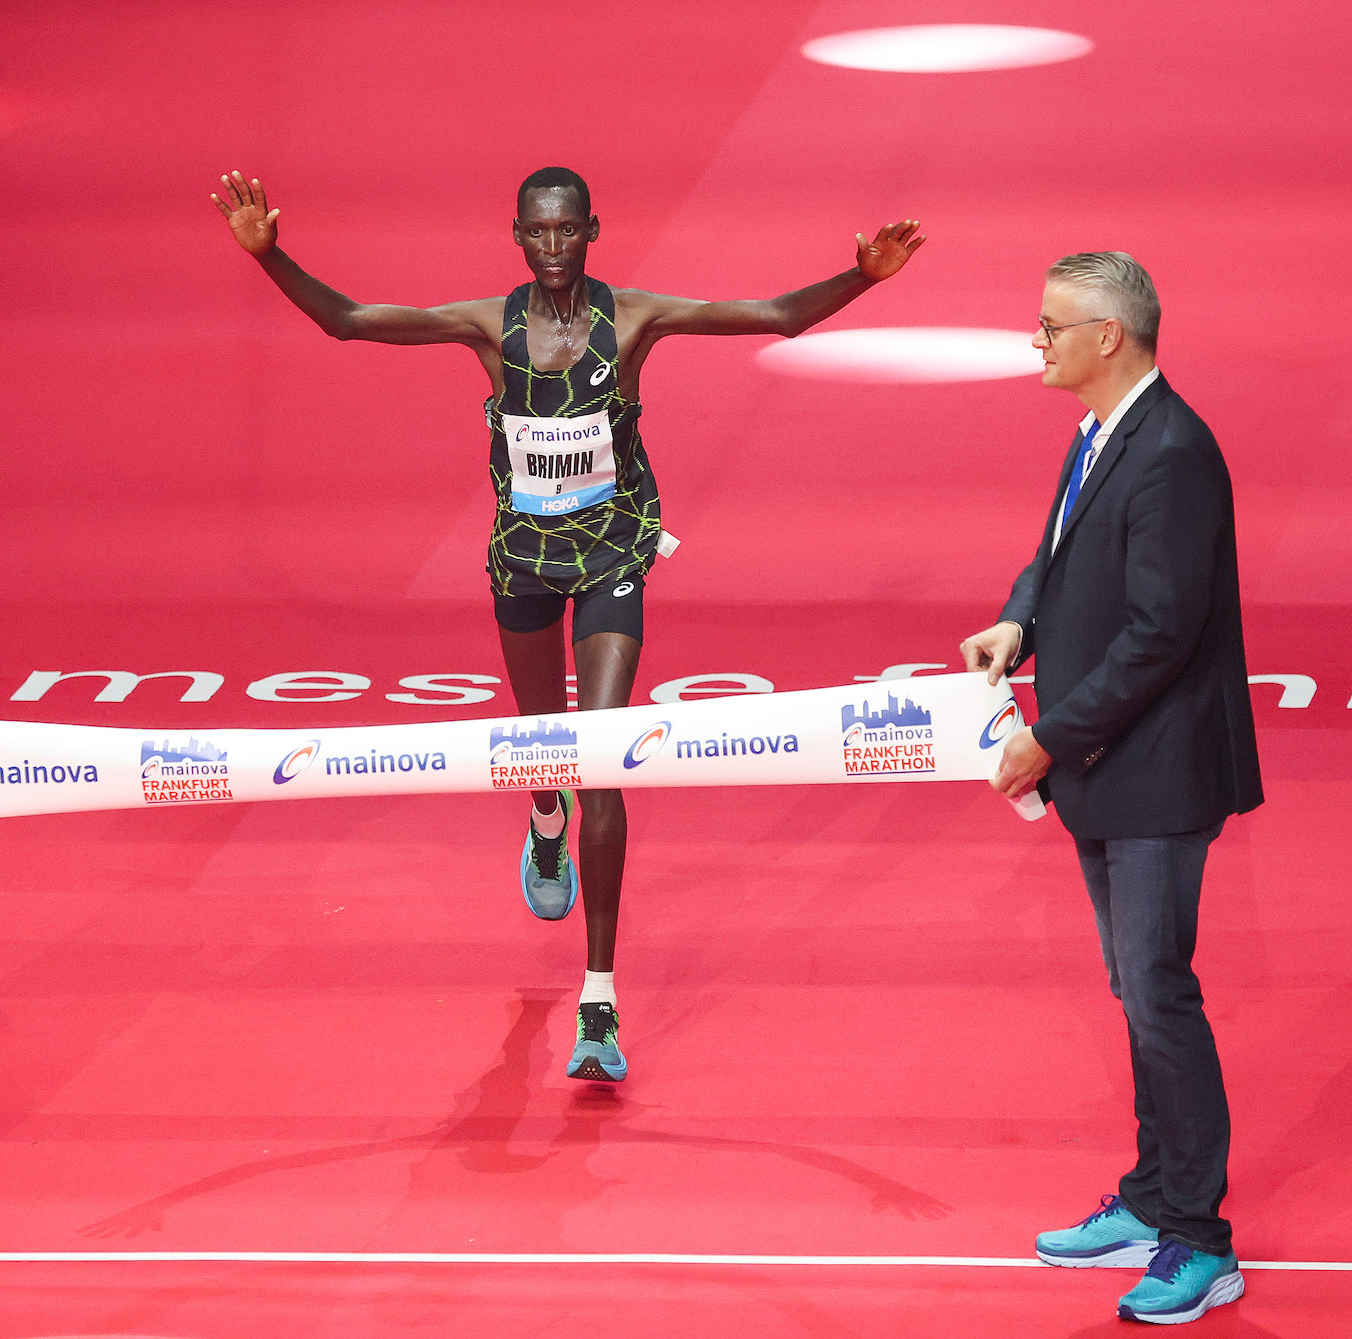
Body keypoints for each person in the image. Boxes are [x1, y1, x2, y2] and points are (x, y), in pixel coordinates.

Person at [213, 167, 927, 1082]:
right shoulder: (486, 324)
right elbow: (348, 321)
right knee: (543, 738)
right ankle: (540, 814)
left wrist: (861, 276)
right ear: (517, 234)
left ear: (593, 230)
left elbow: (776, 315)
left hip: (613, 554)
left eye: (568, 233)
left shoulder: (632, 318)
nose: (553, 249)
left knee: (601, 752)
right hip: (522, 556)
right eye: (537, 234)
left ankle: (599, 1000)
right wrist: (273, 258)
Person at [960, 253, 1262, 1324]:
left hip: (1157, 770)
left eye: (1048, 325)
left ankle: (1198, 1238)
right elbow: (1056, 553)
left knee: (1159, 994)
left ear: (1108, 338)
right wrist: (1019, 618)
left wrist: (1047, 737)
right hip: (1105, 763)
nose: (1033, 340)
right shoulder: (1099, 432)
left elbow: (1159, 636)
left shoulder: (1173, 452)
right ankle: (1147, 1198)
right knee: (1135, 993)